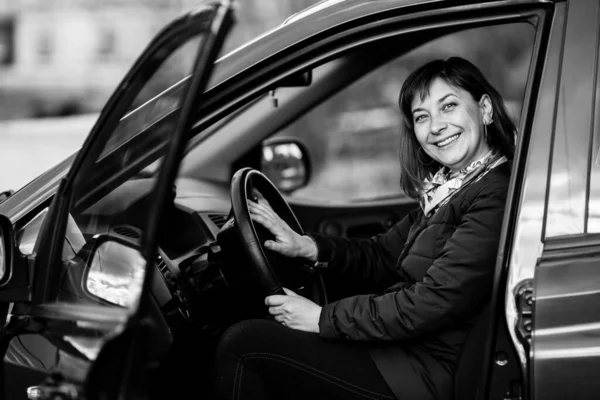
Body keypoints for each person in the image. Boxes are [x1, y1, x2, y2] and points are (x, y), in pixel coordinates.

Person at [213, 56, 516, 400]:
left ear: (486, 110)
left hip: (422, 373)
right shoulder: (451, 187)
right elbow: (383, 253)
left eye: (449, 106)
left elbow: (432, 302)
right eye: (422, 117)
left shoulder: (494, 194)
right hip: (402, 351)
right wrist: (307, 246)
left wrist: (323, 319)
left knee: (244, 345)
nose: (436, 126)